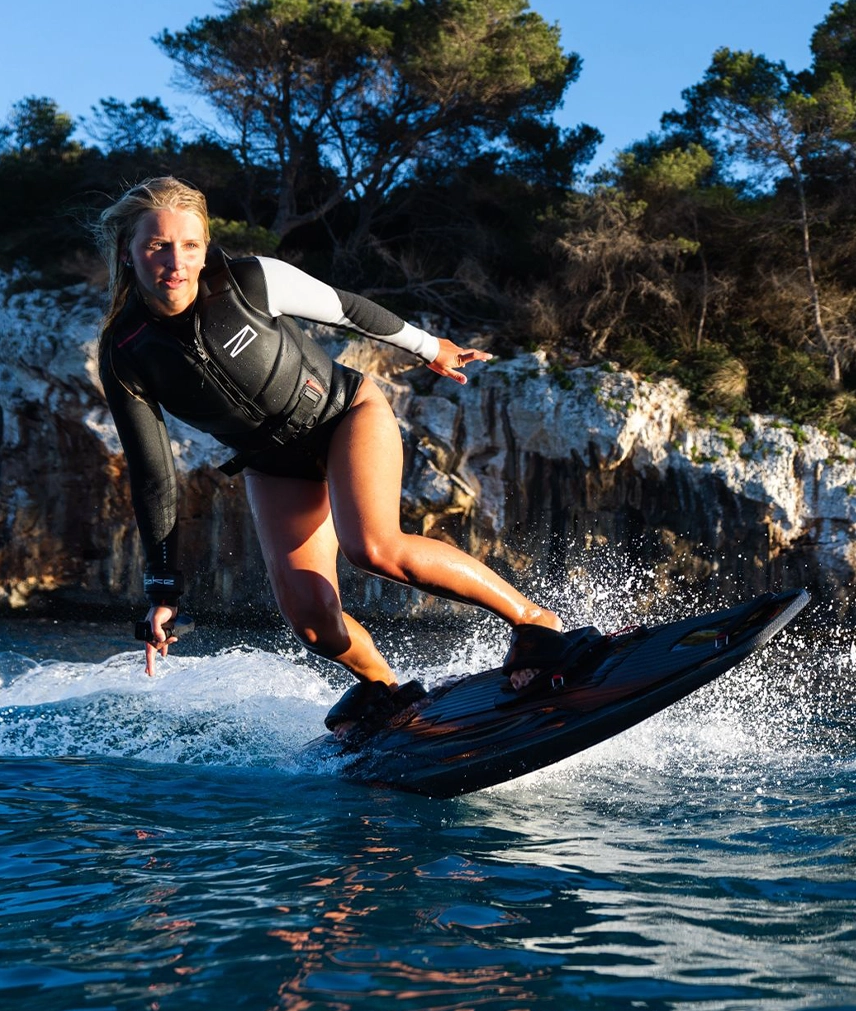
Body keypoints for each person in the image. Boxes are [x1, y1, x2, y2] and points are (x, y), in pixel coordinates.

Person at [94, 177, 580, 735]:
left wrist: (429, 347)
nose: (176, 261)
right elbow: (154, 474)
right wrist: (163, 591)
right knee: (310, 619)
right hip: (274, 462)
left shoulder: (249, 280)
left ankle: (535, 624)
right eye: (157, 245)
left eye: (190, 245)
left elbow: (345, 309)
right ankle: (386, 690)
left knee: (373, 547)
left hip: (344, 415)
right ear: (128, 252)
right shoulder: (126, 353)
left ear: (206, 247)